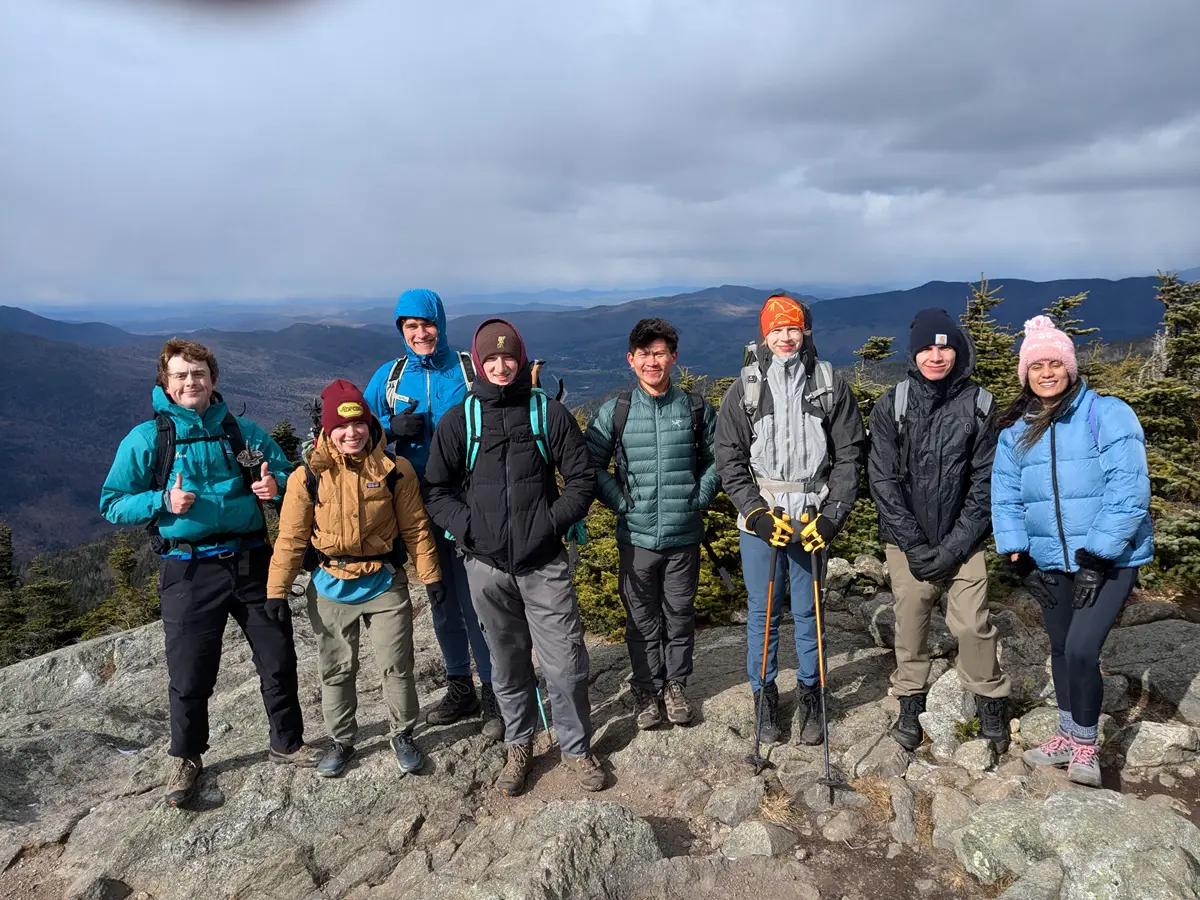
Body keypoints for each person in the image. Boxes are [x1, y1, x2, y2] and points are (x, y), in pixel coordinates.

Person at [100, 338, 321, 809]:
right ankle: (187, 756)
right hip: (188, 567)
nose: (190, 382)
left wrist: (273, 485)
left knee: (278, 658)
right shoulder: (147, 440)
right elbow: (112, 503)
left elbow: (289, 476)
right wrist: (162, 502)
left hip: (251, 560)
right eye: (180, 375)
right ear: (165, 382)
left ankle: (287, 741)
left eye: (197, 373)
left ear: (213, 380)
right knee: (190, 671)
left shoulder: (242, 433)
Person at [423, 318, 605, 796]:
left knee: (565, 663)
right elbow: (436, 490)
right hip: (485, 566)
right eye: (492, 359)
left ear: (521, 359)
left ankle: (576, 747)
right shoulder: (462, 418)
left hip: (543, 560)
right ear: (479, 363)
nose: (502, 367)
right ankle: (519, 744)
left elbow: (582, 481)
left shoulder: (547, 414)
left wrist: (550, 523)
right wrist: (469, 529)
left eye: (509, 358)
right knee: (506, 665)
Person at [992, 316, 1153, 787]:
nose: (1046, 372)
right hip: (1049, 561)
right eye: (1036, 365)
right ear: (1025, 373)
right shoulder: (1016, 432)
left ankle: (1086, 744)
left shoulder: (1108, 413)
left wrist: (1098, 558)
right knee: (1061, 648)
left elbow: (1129, 490)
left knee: (1083, 650)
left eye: (1055, 363)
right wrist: (1016, 555)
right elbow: (1005, 497)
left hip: (1111, 560)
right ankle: (1065, 732)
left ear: (1071, 367)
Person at [267, 379, 443, 777]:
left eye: (358, 423)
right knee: (336, 669)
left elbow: (415, 528)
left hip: (384, 580)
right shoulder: (306, 478)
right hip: (330, 584)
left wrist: (431, 578)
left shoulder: (396, 471)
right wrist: (276, 592)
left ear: (369, 424)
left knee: (397, 664)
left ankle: (402, 733)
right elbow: (292, 538)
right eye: (341, 427)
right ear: (327, 430)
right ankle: (342, 740)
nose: (351, 433)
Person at [715, 293, 866, 745]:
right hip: (763, 517)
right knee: (763, 613)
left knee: (809, 610)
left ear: (805, 332)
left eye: (793, 328)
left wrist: (832, 516)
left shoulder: (827, 383)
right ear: (765, 334)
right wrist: (756, 514)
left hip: (812, 514)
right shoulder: (745, 388)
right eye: (777, 329)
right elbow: (729, 459)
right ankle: (764, 694)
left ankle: (811, 692)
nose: (785, 337)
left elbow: (849, 454)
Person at [868, 309, 1011, 753]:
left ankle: (989, 697)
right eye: (927, 348)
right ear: (914, 353)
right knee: (911, 619)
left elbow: (985, 482)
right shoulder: (892, 405)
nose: (936, 356)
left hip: (962, 539)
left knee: (971, 624)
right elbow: (883, 480)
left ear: (957, 350)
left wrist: (952, 547)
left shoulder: (981, 404)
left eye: (944, 347)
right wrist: (913, 543)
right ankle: (910, 696)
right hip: (906, 539)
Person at [364, 289, 502, 742]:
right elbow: (351, 435)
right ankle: (459, 683)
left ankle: (494, 690)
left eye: (427, 325)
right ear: (401, 332)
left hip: (469, 501)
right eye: (411, 327)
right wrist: (387, 430)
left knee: (478, 599)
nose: (420, 334)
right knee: (441, 597)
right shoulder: (390, 377)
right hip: (416, 508)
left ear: (441, 324)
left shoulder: (467, 368)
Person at [585, 318, 720, 729]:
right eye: (644, 354)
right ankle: (646, 687)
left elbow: (719, 460)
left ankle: (675, 686)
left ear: (673, 358)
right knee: (641, 619)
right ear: (631, 359)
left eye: (659, 353)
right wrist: (622, 504)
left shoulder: (695, 409)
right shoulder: (616, 411)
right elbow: (590, 467)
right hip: (637, 536)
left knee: (679, 614)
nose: (652, 361)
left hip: (683, 536)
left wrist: (698, 496)